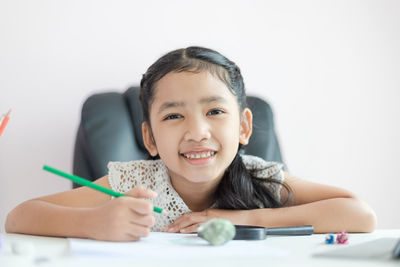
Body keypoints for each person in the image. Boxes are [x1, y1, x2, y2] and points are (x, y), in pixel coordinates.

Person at [5, 46, 376, 241]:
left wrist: (248, 220)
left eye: (214, 111)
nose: (197, 131)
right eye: (173, 116)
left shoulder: (258, 176)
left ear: (245, 127)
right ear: (148, 137)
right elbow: (19, 217)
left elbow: (360, 214)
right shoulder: (135, 182)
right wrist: (95, 223)